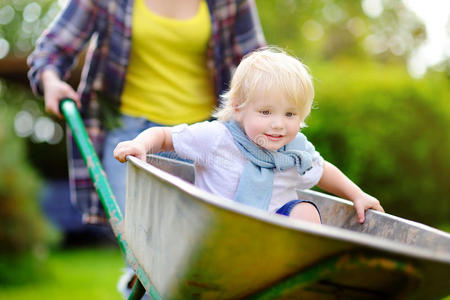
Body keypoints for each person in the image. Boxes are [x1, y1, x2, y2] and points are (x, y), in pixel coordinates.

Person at [27, 0, 265, 297]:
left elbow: (261, 68)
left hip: (204, 142)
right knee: (149, 262)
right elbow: (51, 52)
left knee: (195, 264)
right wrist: (50, 80)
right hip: (130, 141)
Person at [114, 47, 385, 225]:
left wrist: (356, 194)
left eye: (290, 115)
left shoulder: (295, 150)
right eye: (266, 112)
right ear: (239, 109)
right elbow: (163, 135)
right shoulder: (217, 138)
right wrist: (140, 144)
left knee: (306, 211)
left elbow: (322, 169)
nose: (278, 124)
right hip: (215, 231)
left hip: (274, 237)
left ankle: (292, 270)